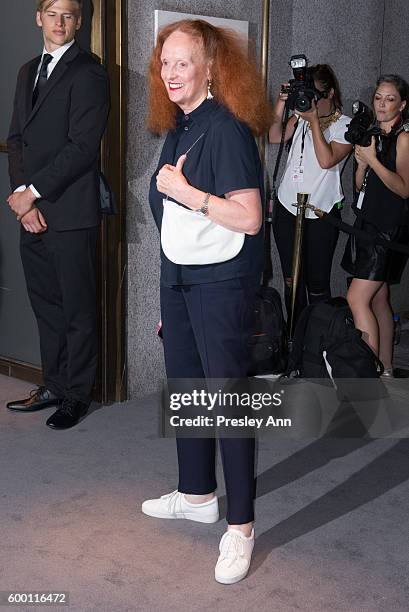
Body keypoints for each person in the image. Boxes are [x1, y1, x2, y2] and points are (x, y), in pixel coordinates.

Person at [142, 19, 271, 584]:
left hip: (222, 285)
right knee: (187, 391)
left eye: (183, 61)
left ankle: (241, 528)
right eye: (164, 62)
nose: (171, 72)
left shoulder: (227, 129)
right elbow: (168, 215)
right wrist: (167, 295)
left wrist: (191, 195)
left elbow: (249, 217)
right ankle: (197, 495)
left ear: (212, 66)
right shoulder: (180, 126)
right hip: (182, 282)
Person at [6, 0, 109, 428]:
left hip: (70, 211)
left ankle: (77, 395)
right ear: (39, 18)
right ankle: (54, 383)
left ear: (79, 22)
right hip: (32, 211)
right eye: (53, 14)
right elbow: (17, 139)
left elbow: (82, 148)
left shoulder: (89, 72)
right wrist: (21, 197)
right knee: (46, 305)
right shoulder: (28, 70)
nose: (60, 22)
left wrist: (32, 193)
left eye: (68, 15)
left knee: (77, 308)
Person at [269, 64, 352, 325]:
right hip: (287, 208)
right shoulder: (300, 117)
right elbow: (273, 136)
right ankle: (294, 337)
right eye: (308, 95)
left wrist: (314, 120)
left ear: (330, 94)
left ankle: (317, 343)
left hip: (321, 213)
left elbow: (327, 160)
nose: (311, 102)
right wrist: (282, 105)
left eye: (316, 96)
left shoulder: (344, 125)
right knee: (291, 280)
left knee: (317, 282)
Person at [342, 75, 409, 377]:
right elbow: (359, 186)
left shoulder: (404, 138)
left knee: (357, 298)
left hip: (387, 228)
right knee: (379, 298)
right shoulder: (371, 133)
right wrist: (364, 164)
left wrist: (374, 160)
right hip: (366, 222)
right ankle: (387, 367)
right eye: (378, 98)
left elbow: (404, 188)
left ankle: (365, 373)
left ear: (402, 104)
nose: (382, 105)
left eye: (390, 99)